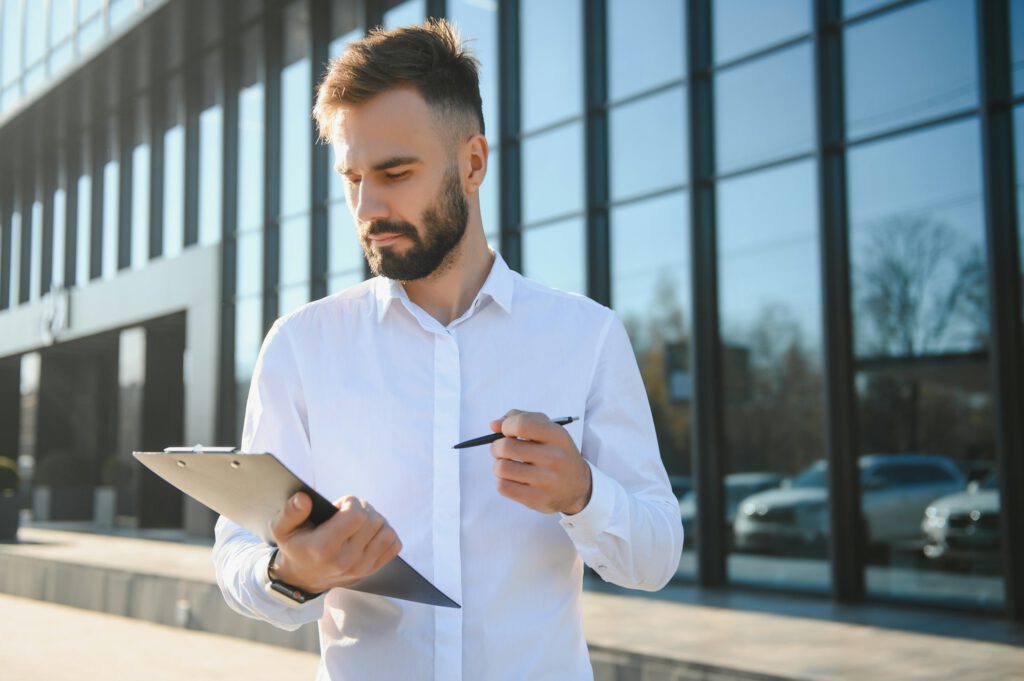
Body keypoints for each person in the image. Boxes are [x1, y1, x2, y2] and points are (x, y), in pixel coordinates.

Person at [212, 19, 683, 681]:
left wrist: (583, 493)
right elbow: (235, 551)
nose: (368, 206)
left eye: (395, 172)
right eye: (352, 179)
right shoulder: (301, 346)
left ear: (473, 162)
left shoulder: (587, 335)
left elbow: (657, 555)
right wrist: (293, 570)